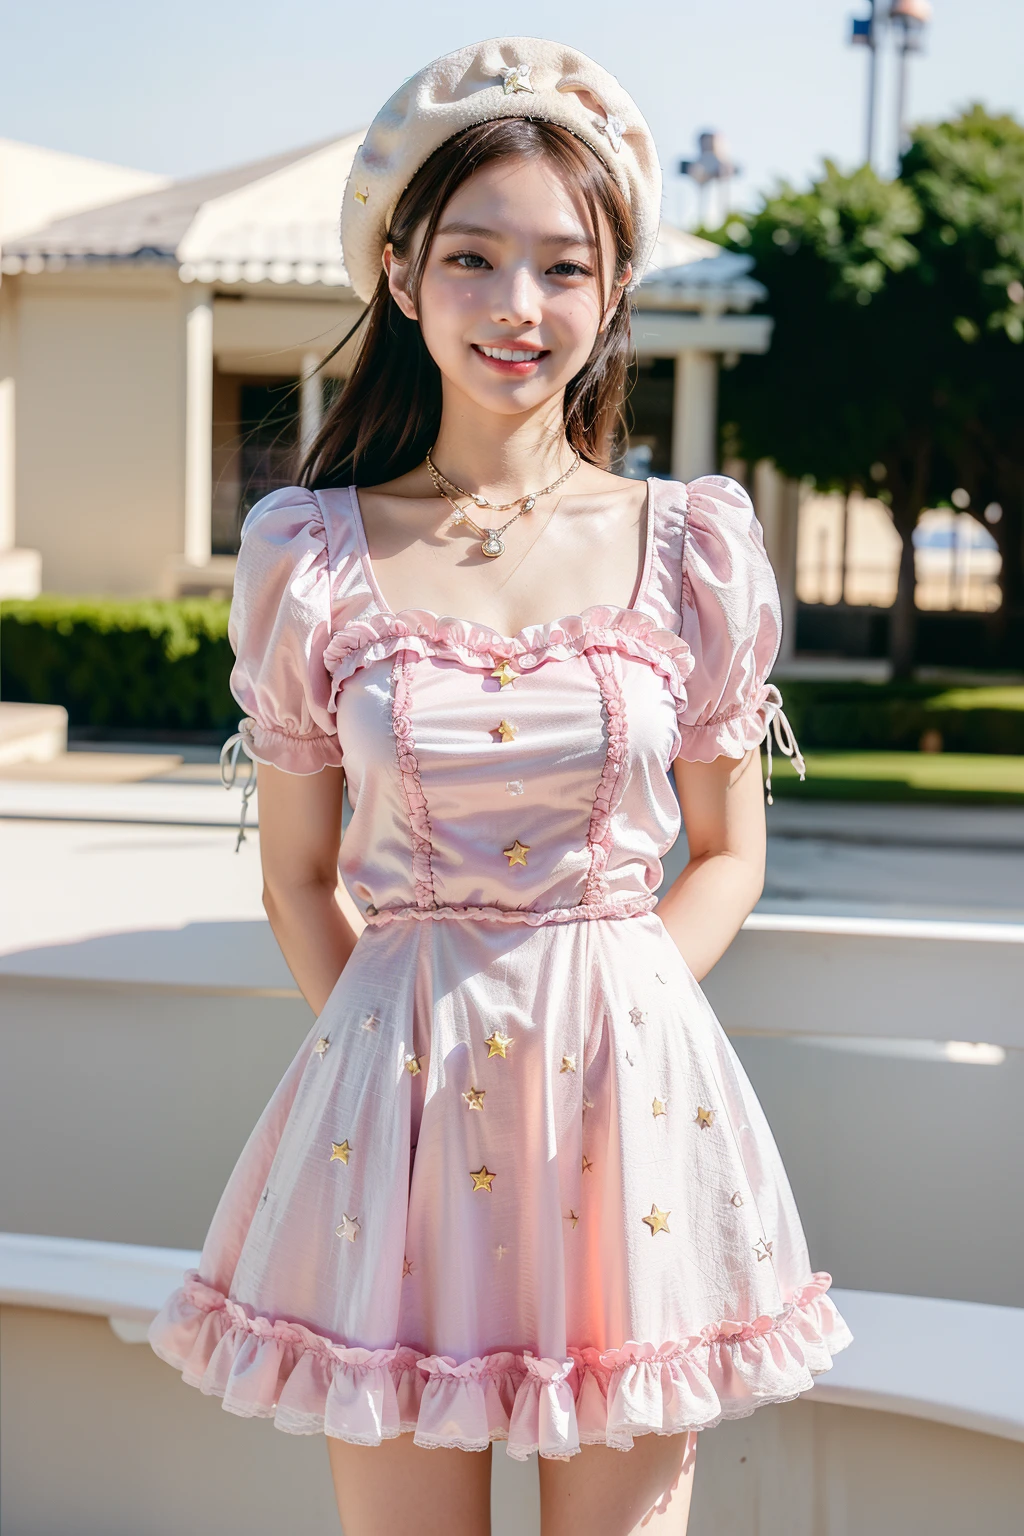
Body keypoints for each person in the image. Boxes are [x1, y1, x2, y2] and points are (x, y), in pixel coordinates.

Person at [149, 36, 852, 1536]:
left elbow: (728, 850)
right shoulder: (312, 553)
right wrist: (385, 1040)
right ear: (402, 276)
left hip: (629, 1109)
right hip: (391, 1127)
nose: (518, 308)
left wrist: (623, 1004)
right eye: (474, 258)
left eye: (563, 268)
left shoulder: (693, 545)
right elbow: (294, 872)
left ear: (610, 298)